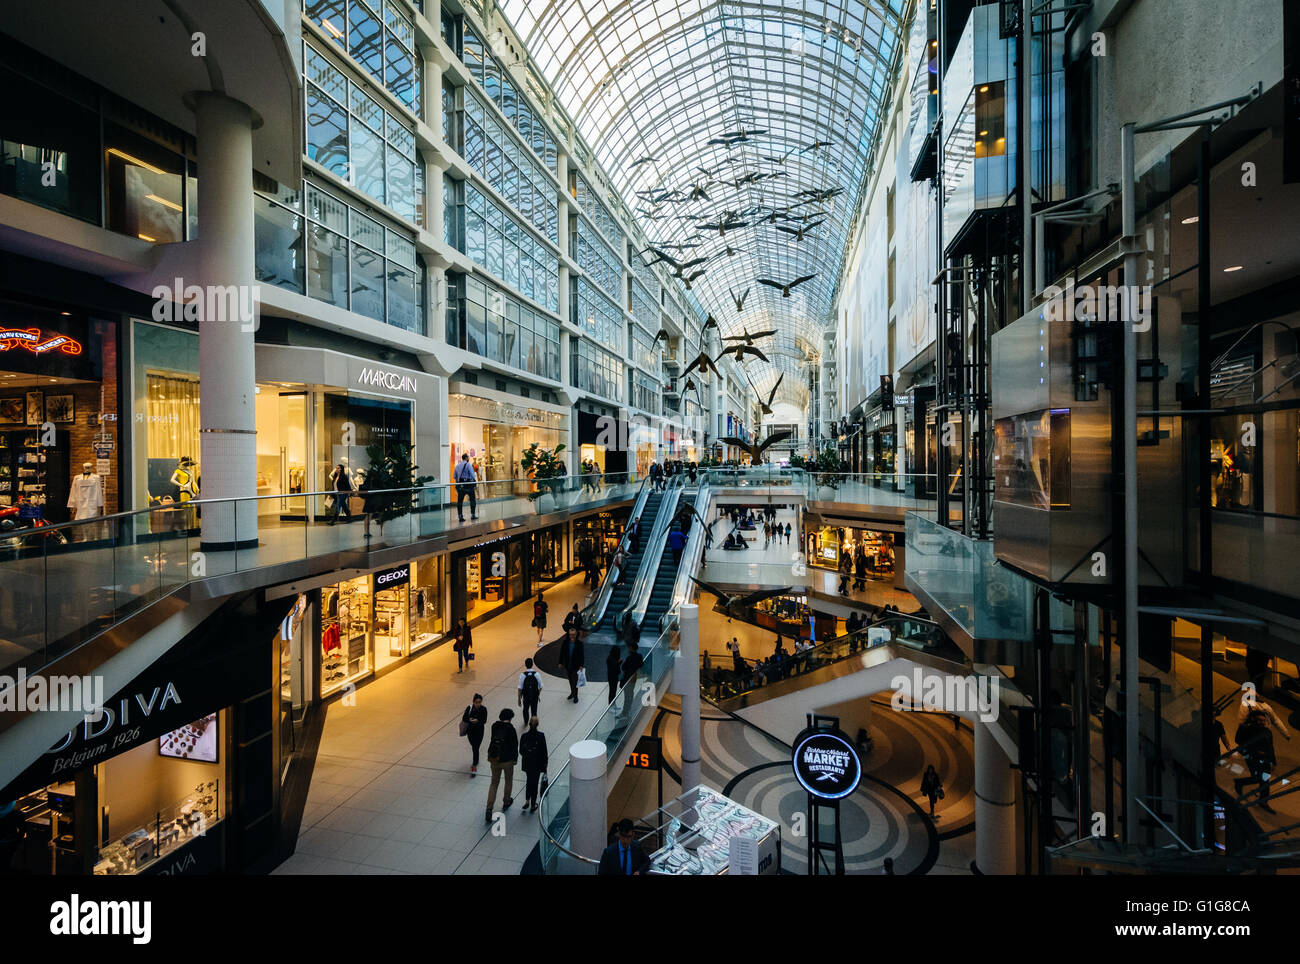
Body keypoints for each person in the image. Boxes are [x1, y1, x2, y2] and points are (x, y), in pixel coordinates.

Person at [485, 709, 518, 819]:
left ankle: (489, 808)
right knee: (508, 781)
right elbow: (514, 745)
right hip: (507, 760)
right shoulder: (511, 729)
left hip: (495, 758)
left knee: (494, 783)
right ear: (510, 718)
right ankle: (506, 801)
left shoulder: (494, 726)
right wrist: (515, 758)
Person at [518, 716, 549, 814]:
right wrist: (545, 766)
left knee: (529, 780)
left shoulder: (524, 736)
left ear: (529, 724)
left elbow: (521, 751)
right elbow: (544, 752)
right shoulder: (541, 736)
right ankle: (533, 804)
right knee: (535, 783)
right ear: (538, 724)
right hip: (537, 764)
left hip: (527, 763)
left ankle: (527, 800)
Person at [461, 694, 488, 776]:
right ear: (473, 702)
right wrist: (470, 720)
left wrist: (478, 721)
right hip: (471, 731)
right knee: (474, 746)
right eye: (476, 702)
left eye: (479, 702)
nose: (478, 704)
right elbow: (464, 718)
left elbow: (484, 720)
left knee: (476, 747)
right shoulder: (469, 708)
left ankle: (474, 764)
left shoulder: (483, 709)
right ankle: (475, 762)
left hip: (479, 731)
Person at [559, 627, 585, 703]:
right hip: (568, 665)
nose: (572, 636)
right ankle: (572, 693)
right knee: (570, 680)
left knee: (575, 681)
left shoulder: (579, 644)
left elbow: (582, 655)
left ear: (576, 634)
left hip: (576, 666)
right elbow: (562, 653)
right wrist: (560, 662)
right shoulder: (565, 642)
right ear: (569, 635)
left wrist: (581, 665)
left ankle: (575, 696)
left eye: (573, 634)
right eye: (570, 635)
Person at [620, 638, 644, 717]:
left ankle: (625, 712)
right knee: (630, 694)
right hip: (633, 679)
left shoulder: (629, 658)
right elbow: (641, 665)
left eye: (629, 647)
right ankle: (628, 710)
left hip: (628, 679)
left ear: (631, 648)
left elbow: (623, 667)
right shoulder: (639, 656)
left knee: (627, 696)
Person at [454, 453, 479, 522]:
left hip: (461, 485)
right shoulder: (468, 465)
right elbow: (473, 475)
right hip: (468, 485)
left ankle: (460, 516)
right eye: (468, 457)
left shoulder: (457, 466)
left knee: (460, 501)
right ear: (466, 458)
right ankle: (473, 515)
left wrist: (457, 484)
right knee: (472, 500)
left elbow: (455, 477)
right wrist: (474, 482)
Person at [518, 657, 543, 723]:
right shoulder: (537, 674)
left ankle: (526, 721)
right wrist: (538, 694)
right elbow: (541, 686)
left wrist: (519, 699)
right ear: (532, 664)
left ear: (525, 665)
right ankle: (533, 724)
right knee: (534, 711)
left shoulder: (522, 675)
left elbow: (520, 688)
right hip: (535, 696)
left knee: (525, 710)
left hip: (526, 697)